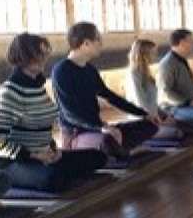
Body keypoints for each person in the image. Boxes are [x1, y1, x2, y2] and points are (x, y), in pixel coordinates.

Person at [0, 33, 106, 191]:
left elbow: (42, 126)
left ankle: (55, 172)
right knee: (53, 178)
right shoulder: (9, 91)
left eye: (44, 54)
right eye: (38, 54)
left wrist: (52, 149)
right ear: (24, 56)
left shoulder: (38, 87)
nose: (43, 58)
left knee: (97, 157)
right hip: (12, 163)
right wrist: (32, 155)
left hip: (41, 157)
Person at [52, 23, 159, 160]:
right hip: (76, 133)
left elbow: (110, 97)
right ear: (86, 43)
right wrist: (100, 127)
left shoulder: (90, 69)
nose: (101, 44)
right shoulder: (62, 71)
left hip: (98, 128)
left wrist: (144, 114)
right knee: (108, 140)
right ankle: (122, 151)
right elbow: (69, 114)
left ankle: (119, 150)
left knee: (150, 125)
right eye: (98, 40)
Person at [125, 39, 184, 140]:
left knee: (182, 124)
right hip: (142, 122)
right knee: (177, 133)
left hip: (153, 119)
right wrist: (160, 122)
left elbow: (152, 104)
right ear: (144, 54)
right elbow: (141, 105)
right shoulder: (133, 75)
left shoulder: (146, 74)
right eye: (153, 52)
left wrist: (166, 116)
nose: (156, 55)